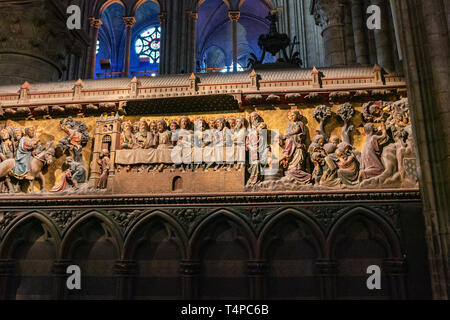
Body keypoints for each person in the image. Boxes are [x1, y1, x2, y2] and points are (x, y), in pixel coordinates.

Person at [278, 110, 311, 183]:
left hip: (298, 148)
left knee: (297, 167)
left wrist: (290, 136)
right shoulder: (289, 125)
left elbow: (298, 131)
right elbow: (287, 134)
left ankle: (306, 177)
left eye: (293, 115)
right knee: (289, 171)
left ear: (298, 116)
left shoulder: (300, 123)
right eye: (291, 115)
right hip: (290, 151)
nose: (292, 117)